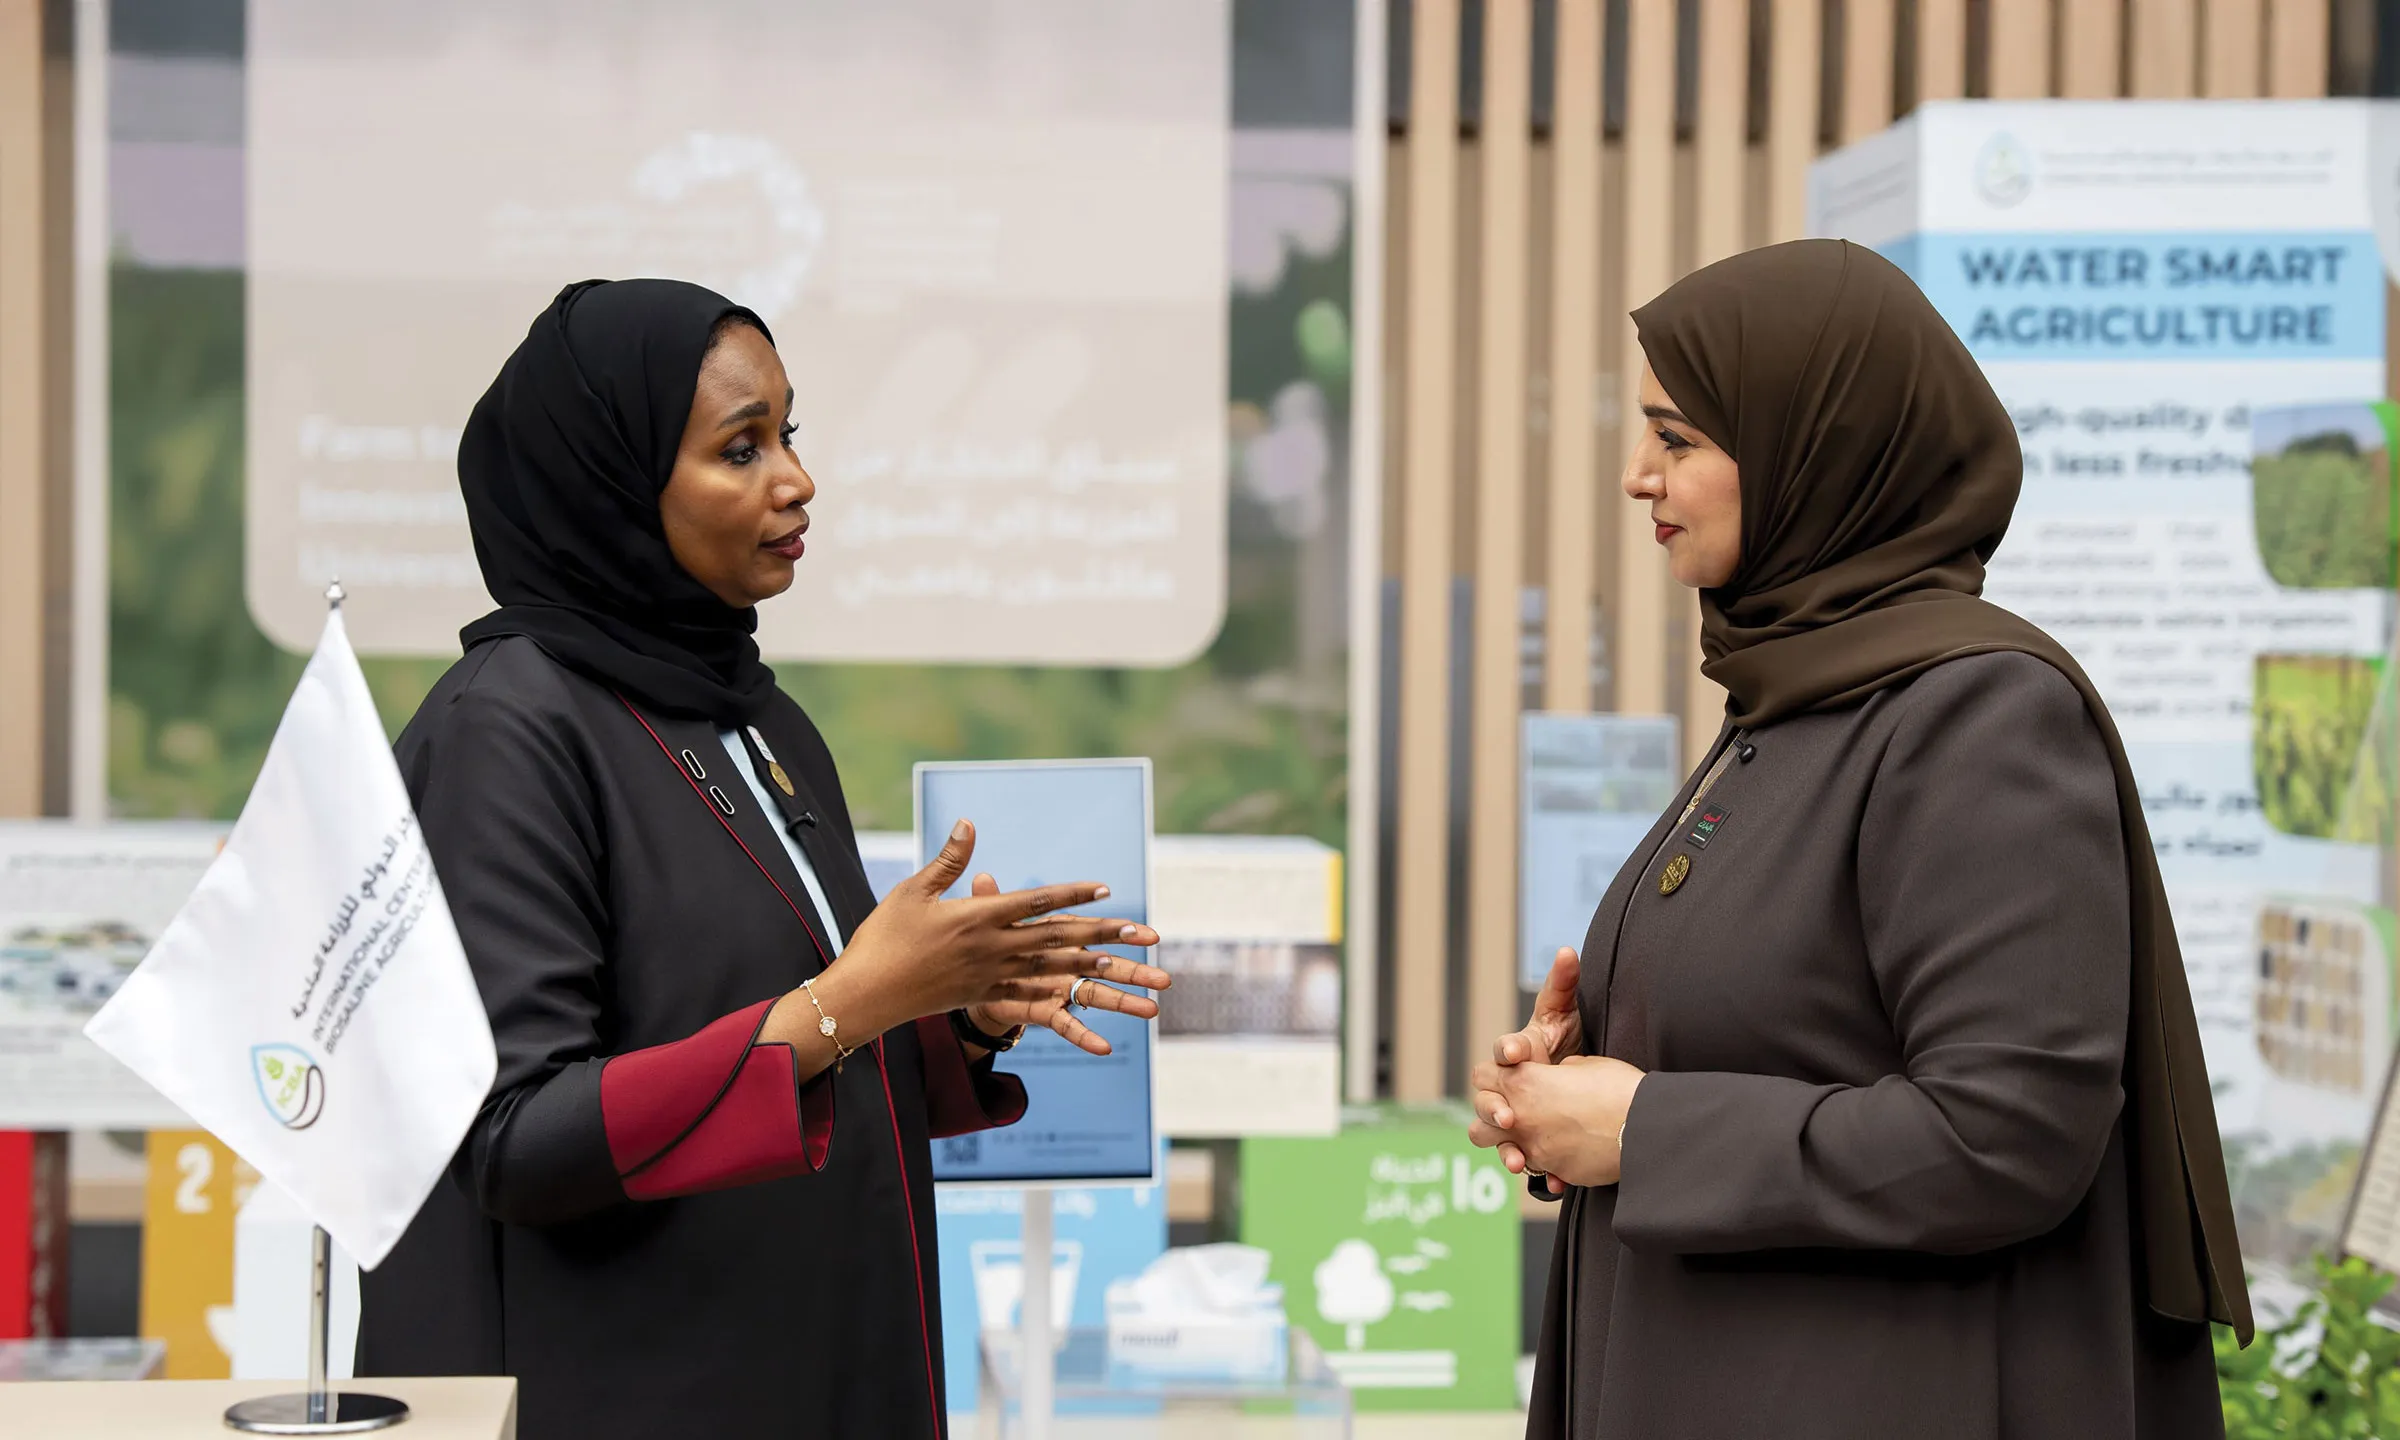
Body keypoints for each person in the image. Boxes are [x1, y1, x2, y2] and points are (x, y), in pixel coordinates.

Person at [355, 278, 1171, 1440]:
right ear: (613, 483)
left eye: (789, 432)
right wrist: (850, 1002)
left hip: (808, 1361)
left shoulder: (756, 718)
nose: (796, 478)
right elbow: (518, 1138)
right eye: (742, 448)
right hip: (618, 1389)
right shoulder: (508, 726)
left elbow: (771, 1040)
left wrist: (952, 1014)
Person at [1468, 239, 2250, 1439]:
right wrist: (1575, 1084)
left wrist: (1643, 1127)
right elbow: (1798, 1031)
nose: (1638, 476)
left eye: (1677, 439)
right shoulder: (1797, 699)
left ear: (1813, 451)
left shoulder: (1977, 714)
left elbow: (2006, 1135)